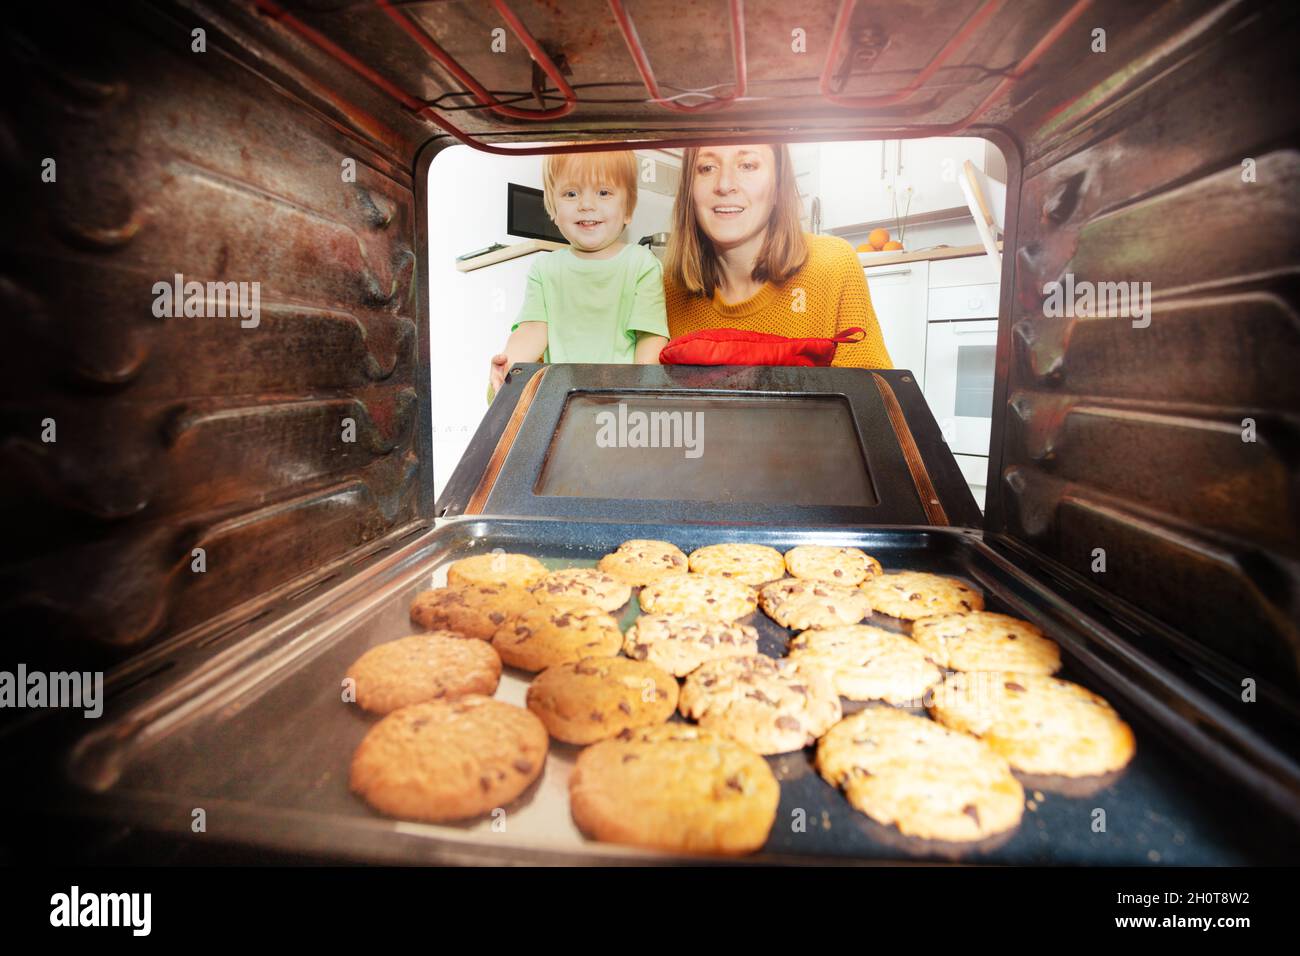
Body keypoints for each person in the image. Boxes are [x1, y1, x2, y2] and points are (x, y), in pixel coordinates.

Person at [663, 143, 892, 368]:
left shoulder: (832, 264)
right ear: (688, 192)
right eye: (707, 168)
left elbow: (874, 397)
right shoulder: (667, 288)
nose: (724, 185)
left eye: (747, 165)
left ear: (778, 186)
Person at [488, 150, 669, 397]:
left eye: (603, 192)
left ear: (628, 207)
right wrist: (509, 366)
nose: (586, 205)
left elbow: (650, 339)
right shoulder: (545, 269)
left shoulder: (641, 264)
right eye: (571, 193)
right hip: (564, 401)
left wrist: (643, 397)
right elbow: (532, 330)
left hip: (621, 402)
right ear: (552, 207)